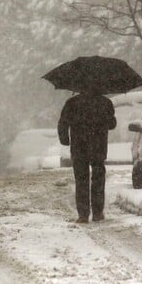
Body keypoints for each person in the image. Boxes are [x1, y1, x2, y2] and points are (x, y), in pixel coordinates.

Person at [58, 90, 116, 223]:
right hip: (98, 146)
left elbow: (63, 123)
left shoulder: (72, 103)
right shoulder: (105, 102)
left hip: (79, 147)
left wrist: (65, 139)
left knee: (81, 180)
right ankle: (97, 212)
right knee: (98, 179)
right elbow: (112, 124)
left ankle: (83, 214)